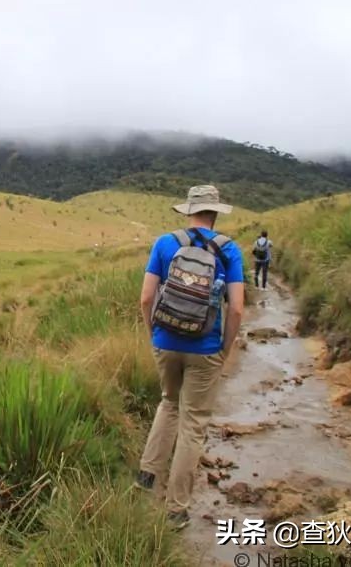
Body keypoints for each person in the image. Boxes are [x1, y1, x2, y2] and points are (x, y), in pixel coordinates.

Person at [134, 185, 245, 529]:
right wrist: (224, 349)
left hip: (165, 341)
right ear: (215, 213)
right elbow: (236, 309)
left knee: (168, 403)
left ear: (188, 211)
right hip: (205, 348)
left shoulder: (164, 243)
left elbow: (145, 298)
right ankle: (176, 509)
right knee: (193, 423)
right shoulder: (229, 249)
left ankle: (146, 478)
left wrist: (154, 335)